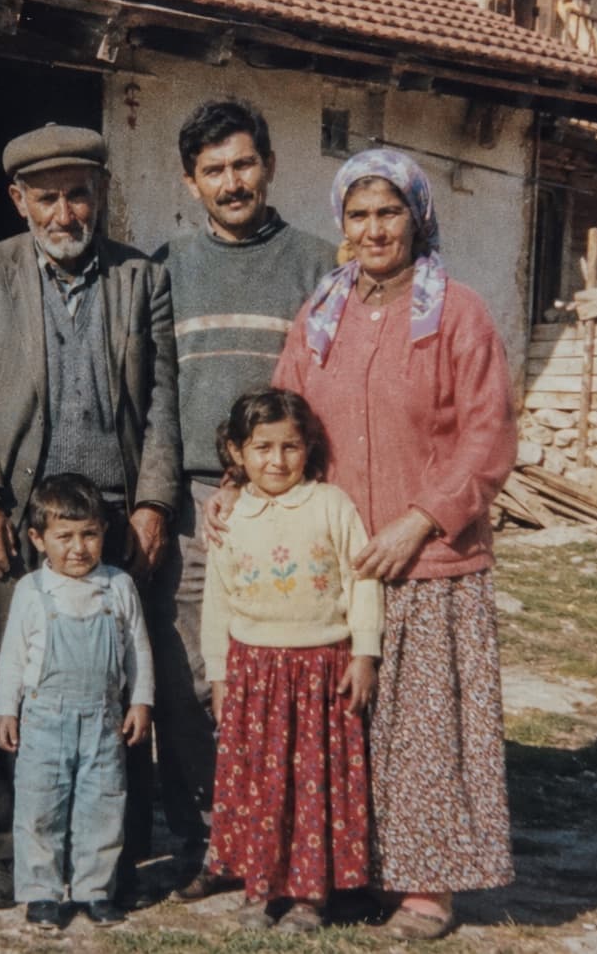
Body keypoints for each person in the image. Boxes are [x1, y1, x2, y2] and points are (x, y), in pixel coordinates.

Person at [269, 147, 518, 940]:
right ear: (341, 225)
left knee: (422, 732)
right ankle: (349, 871)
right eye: (358, 215)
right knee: (339, 725)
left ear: (418, 217)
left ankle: (424, 889)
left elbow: (489, 436)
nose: (374, 230)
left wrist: (421, 520)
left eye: (389, 212)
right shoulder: (319, 317)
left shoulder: (459, 313)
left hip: (430, 559)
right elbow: (284, 419)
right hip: (340, 561)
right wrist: (254, 496)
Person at [0, 123, 180, 910]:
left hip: (108, 519)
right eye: (47, 197)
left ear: (100, 195)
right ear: (19, 201)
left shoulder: (142, 279)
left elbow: (162, 405)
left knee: (111, 686)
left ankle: (113, 856)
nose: (65, 212)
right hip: (15, 516)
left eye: (79, 194)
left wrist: (150, 503)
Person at [151, 99, 336, 881]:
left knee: (286, 675)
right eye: (214, 170)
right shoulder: (166, 268)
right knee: (195, 671)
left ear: (269, 164)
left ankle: (290, 839)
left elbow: (330, 388)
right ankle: (210, 840)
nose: (232, 183)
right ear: (191, 182)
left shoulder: (319, 265)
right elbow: (157, 392)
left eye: (243, 164)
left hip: (290, 501)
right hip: (198, 502)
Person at [201, 388, 382, 932]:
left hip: (321, 671)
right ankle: (260, 887)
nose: (276, 461)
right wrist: (218, 671)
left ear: (308, 449)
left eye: (290, 447)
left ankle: (309, 896)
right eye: (262, 448)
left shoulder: (331, 504)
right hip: (254, 672)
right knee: (259, 784)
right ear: (237, 452)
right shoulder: (230, 517)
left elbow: (362, 578)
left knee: (312, 786)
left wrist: (365, 652)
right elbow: (218, 598)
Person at [0, 474, 154, 930]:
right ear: (38, 539)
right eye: (64, 537)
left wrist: (140, 702)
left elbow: (138, 649)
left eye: (89, 534)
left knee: (101, 805)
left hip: (103, 718)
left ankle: (94, 889)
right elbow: (12, 658)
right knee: (40, 806)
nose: (78, 548)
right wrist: (6, 709)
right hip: (43, 718)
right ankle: (42, 892)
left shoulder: (118, 586)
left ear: (104, 532)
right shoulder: (31, 591)